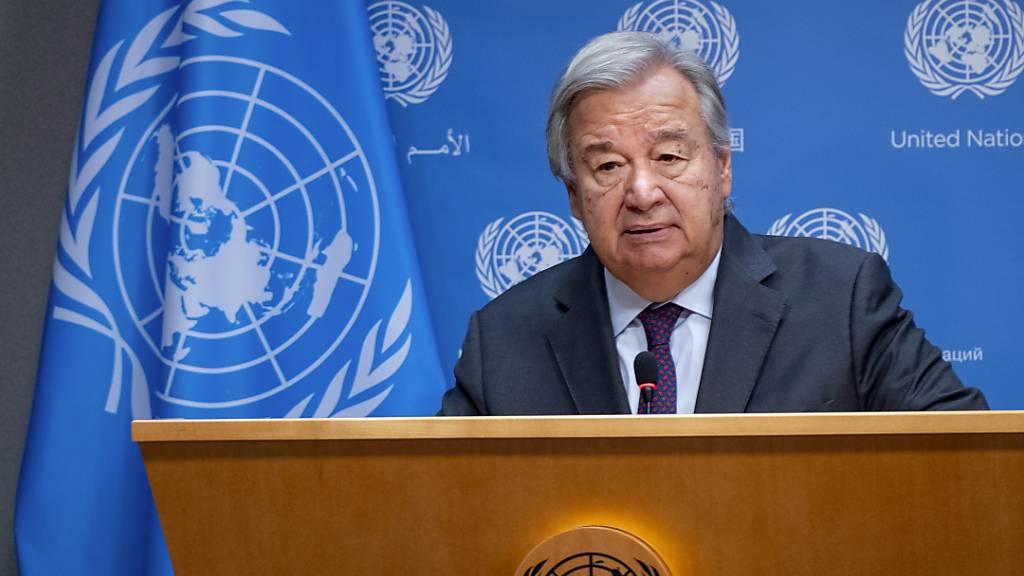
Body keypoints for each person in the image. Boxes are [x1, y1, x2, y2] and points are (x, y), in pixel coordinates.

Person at [440, 31, 987, 415]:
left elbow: (965, 458)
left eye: (670, 157)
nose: (642, 191)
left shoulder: (841, 302)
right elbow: (437, 512)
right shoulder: (506, 340)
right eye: (607, 166)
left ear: (722, 168)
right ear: (574, 198)